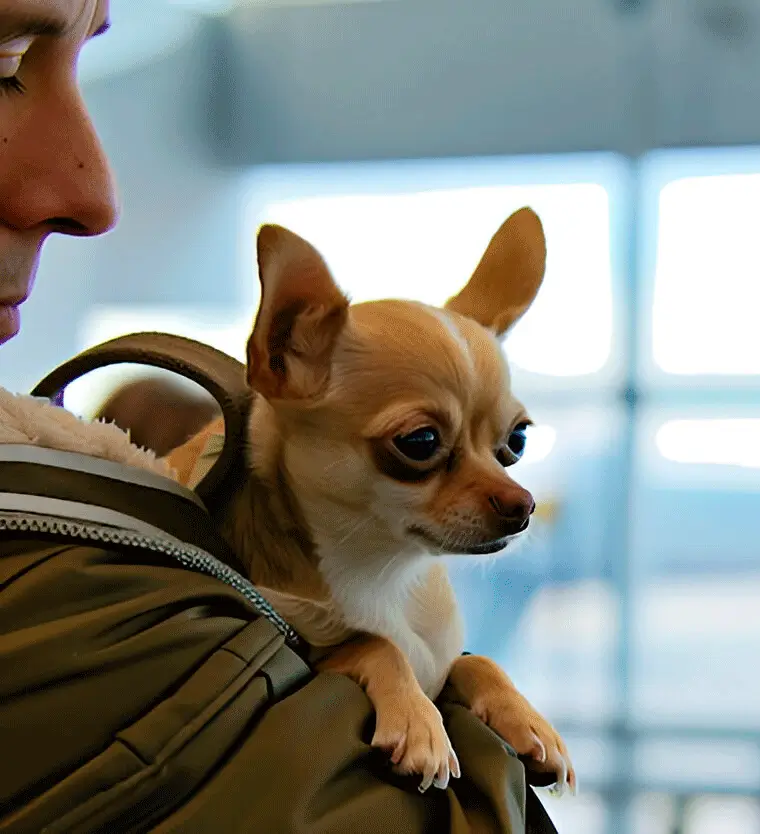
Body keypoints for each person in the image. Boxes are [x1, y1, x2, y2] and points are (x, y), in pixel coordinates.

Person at [0, 1, 559, 831]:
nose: (94, 194)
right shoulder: (131, 580)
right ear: (283, 353)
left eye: (509, 444)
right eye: (420, 444)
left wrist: (473, 683)